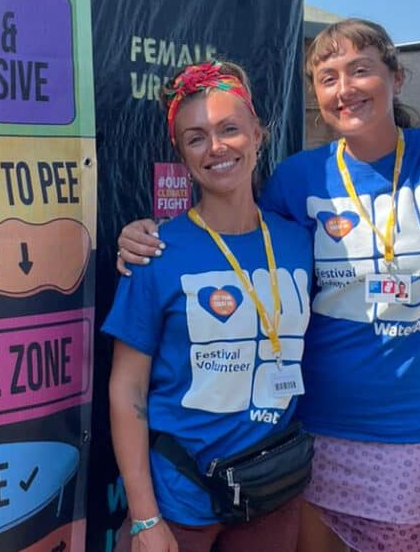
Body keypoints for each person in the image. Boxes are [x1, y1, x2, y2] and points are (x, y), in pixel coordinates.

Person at [116, 19, 420, 552]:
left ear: (396, 77)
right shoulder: (296, 180)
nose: (346, 88)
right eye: (328, 76)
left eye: (360, 70)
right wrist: (141, 235)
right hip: (312, 431)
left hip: (415, 431)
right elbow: (232, 239)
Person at [102, 61, 314, 552]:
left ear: (259, 134)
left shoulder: (299, 242)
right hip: (182, 500)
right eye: (196, 137)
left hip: (272, 491)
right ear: (180, 153)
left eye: (230, 129)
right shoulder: (155, 253)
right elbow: (127, 390)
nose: (216, 147)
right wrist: (143, 518)